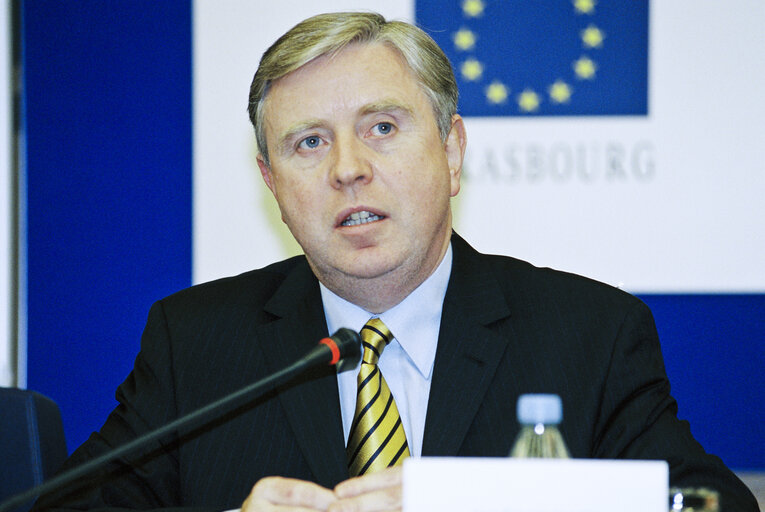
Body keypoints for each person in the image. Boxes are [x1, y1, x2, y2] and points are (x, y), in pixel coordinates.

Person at [33, 12, 757, 512]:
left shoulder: (587, 332)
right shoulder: (195, 340)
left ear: (450, 152)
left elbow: (709, 505)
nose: (347, 169)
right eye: (308, 143)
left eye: (381, 128)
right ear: (271, 183)